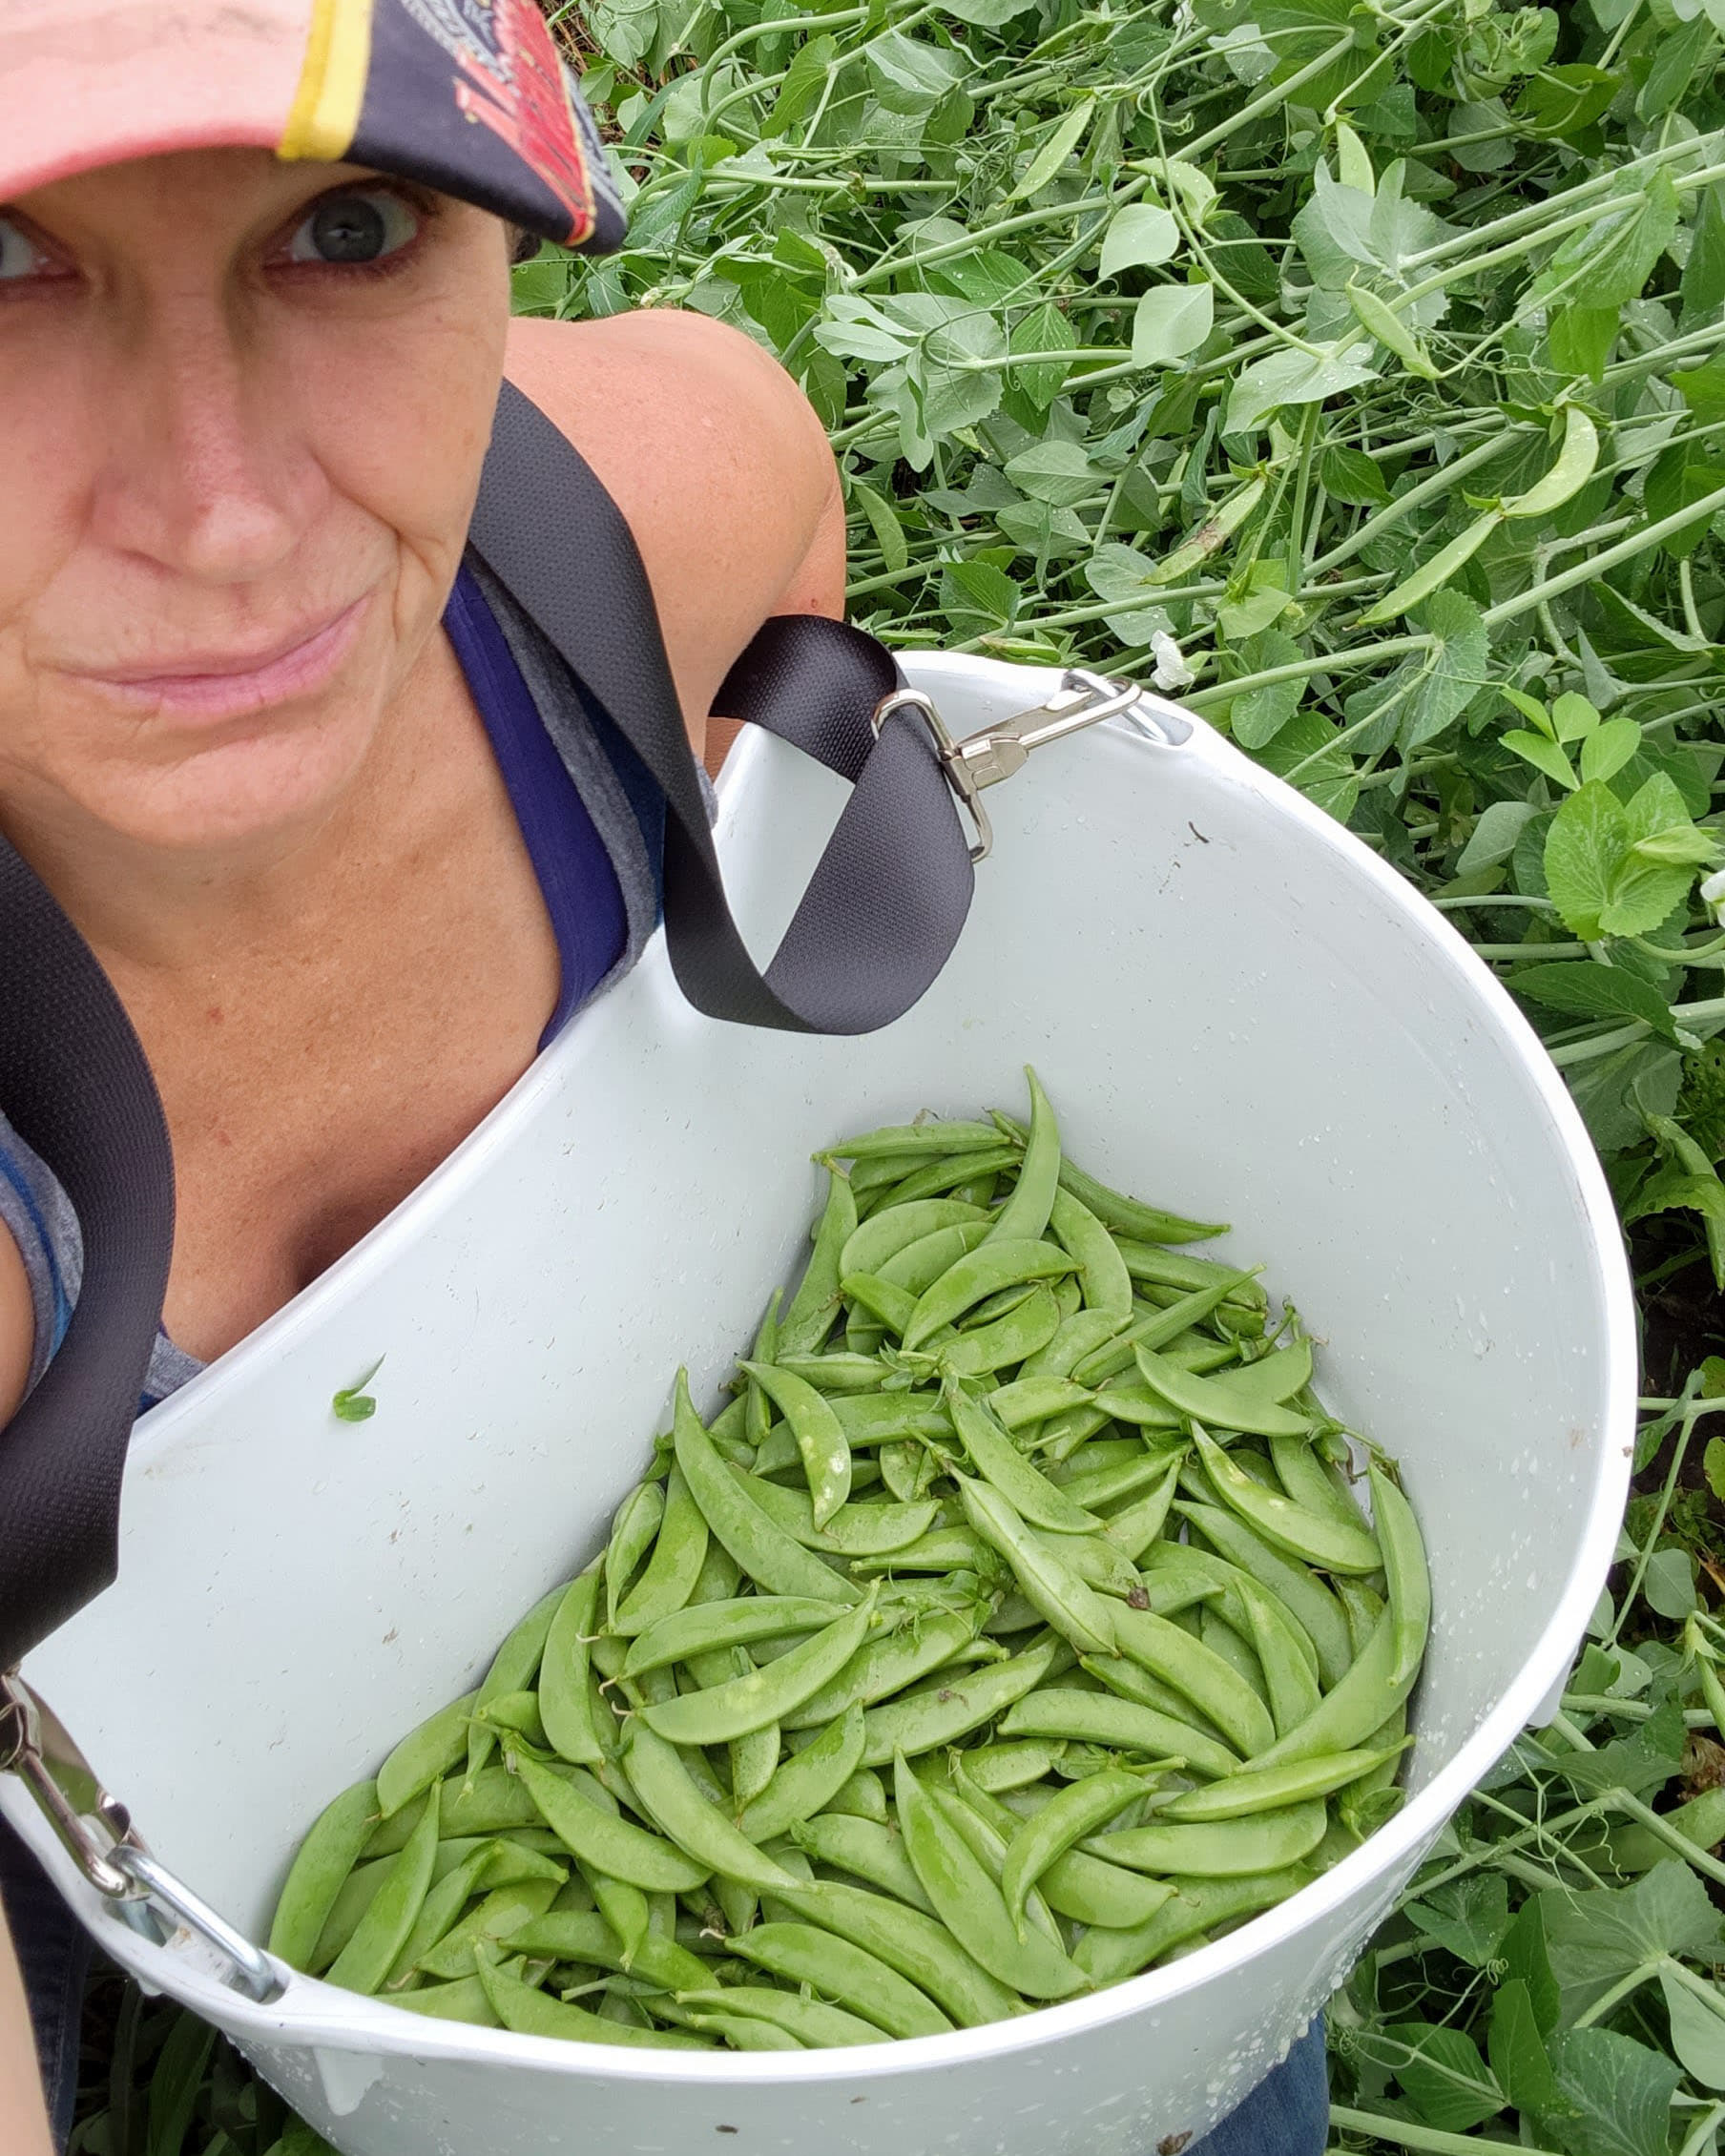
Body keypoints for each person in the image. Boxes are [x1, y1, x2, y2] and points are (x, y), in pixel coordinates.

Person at [0, 4, 1328, 2150]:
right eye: (0, 261)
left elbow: (789, 591)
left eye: (349, 227)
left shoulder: (659, 501)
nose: (226, 513)